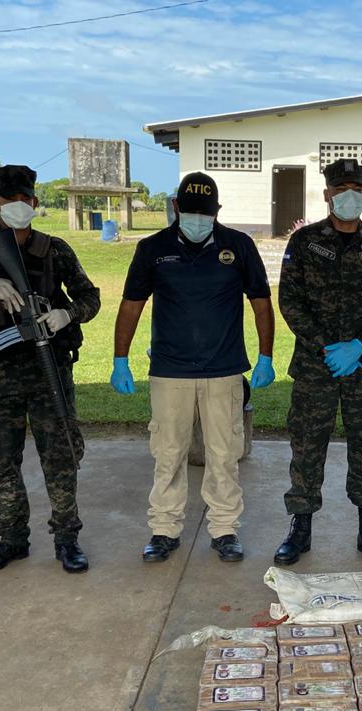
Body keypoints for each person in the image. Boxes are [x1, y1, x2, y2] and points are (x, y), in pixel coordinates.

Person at [0, 164, 100, 573]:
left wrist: (66, 314)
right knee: (1, 458)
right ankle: (12, 539)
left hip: (50, 370)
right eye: (8, 200)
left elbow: (90, 298)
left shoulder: (55, 249)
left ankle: (67, 539)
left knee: (60, 456)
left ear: (34, 201)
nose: (18, 206)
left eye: (24, 199)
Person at [111, 172, 274, 563]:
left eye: (206, 212)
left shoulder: (239, 245)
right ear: (176, 207)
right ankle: (164, 529)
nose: (198, 219)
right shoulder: (152, 248)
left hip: (224, 370)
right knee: (168, 454)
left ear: (217, 211)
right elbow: (132, 305)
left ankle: (225, 529)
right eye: (191, 211)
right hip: (170, 371)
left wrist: (266, 356)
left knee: (224, 454)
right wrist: (120, 359)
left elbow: (261, 302)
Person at [275, 158, 362, 566]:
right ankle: (300, 528)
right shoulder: (304, 242)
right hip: (315, 368)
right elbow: (290, 301)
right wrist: (326, 347)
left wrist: (361, 346)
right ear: (327, 195)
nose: (349, 195)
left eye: (356, 189)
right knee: (306, 447)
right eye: (341, 189)